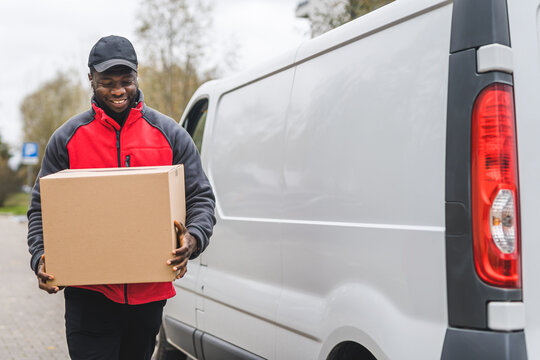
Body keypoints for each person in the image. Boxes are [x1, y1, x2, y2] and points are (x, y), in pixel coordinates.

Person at [26, 35, 216, 360]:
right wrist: (41, 257)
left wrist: (194, 238)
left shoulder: (170, 135)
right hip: (89, 295)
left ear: (137, 77)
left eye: (126, 81)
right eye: (106, 83)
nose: (117, 91)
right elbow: (41, 208)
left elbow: (201, 198)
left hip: (148, 294)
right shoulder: (67, 139)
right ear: (91, 79)